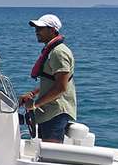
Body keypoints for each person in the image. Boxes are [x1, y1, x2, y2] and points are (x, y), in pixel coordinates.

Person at [19, 13, 77, 142]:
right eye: (36, 28)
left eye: (40, 28)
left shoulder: (59, 52)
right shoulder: (52, 50)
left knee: (51, 153)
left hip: (56, 111)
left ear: (52, 30)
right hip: (49, 110)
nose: (36, 31)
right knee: (44, 150)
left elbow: (61, 87)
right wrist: (33, 93)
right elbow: (52, 81)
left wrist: (34, 105)